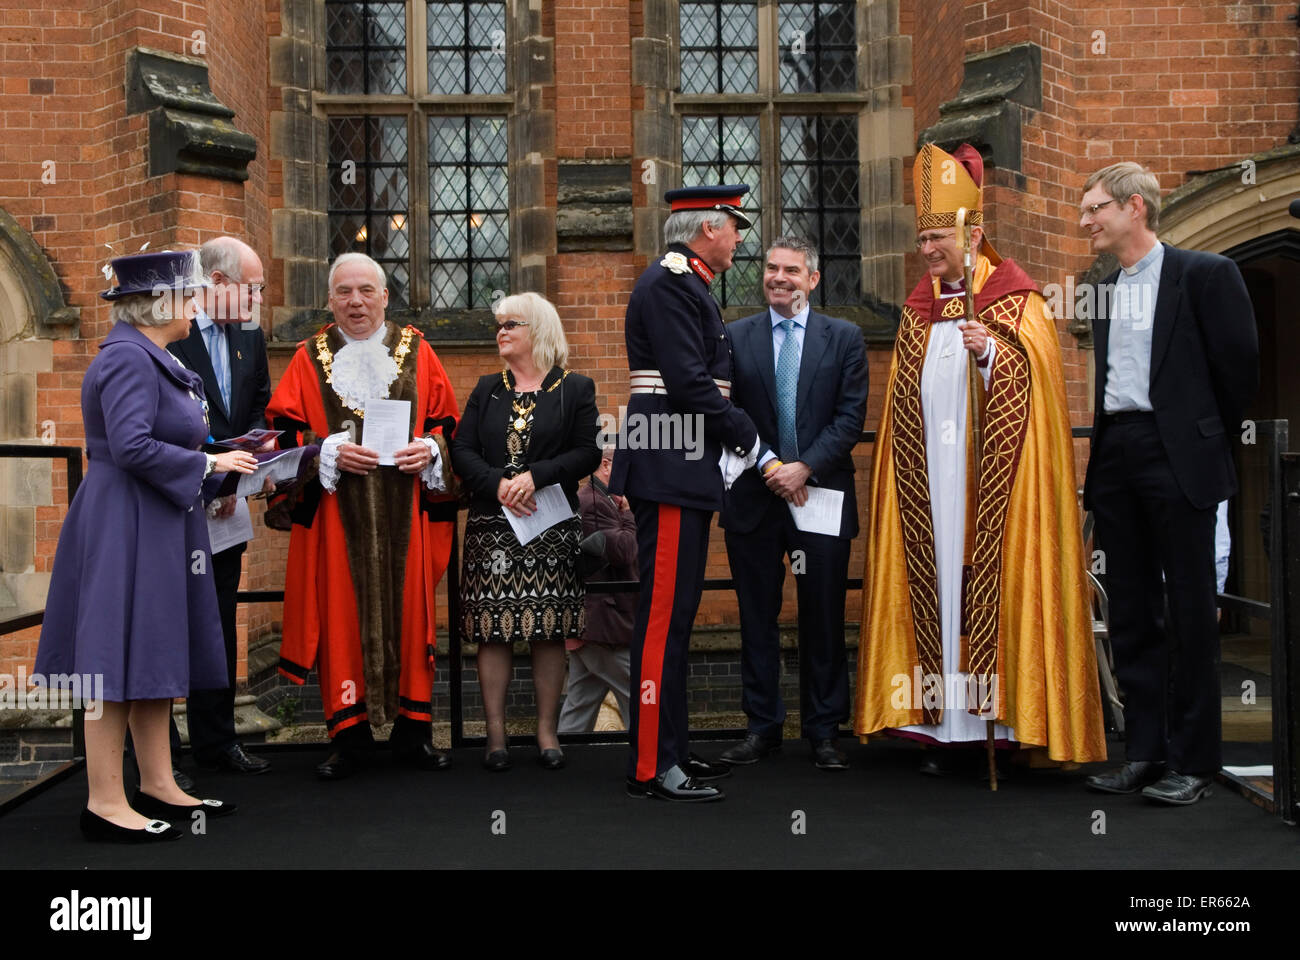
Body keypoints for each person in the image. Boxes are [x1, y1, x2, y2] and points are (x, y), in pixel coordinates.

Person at [853, 143, 1107, 772]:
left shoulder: (1018, 303)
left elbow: (1043, 389)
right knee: (937, 591)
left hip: (996, 490)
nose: (928, 249)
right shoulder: (917, 313)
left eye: (938, 236)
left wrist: (994, 353)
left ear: (972, 234)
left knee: (988, 588)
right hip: (930, 492)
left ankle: (1002, 726)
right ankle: (944, 731)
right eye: (923, 238)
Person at [36, 250, 256, 841]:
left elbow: (164, 444)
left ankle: (157, 783)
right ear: (161, 303)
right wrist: (209, 459)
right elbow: (131, 447)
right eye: (188, 295)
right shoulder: (129, 359)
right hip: (124, 522)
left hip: (157, 520)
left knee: (151, 651)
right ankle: (105, 803)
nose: (196, 305)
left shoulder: (149, 355)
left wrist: (226, 464)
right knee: (113, 660)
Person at [1079, 161, 1259, 805]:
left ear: (1135, 207)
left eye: (1095, 207)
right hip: (1119, 455)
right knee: (1130, 614)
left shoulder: (1206, 275)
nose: (1085, 219)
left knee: (1189, 613)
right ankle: (1146, 753)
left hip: (1179, 455)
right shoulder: (1102, 289)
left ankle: (1196, 761)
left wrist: (1199, 436)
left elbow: (1238, 370)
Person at [266, 252, 460, 780]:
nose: (356, 301)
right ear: (329, 300)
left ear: (384, 296)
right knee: (341, 618)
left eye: (366, 291)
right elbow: (281, 438)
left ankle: (413, 735)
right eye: (344, 292)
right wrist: (324, 451)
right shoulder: (308, 357)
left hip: (407, 519)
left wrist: (432, 450)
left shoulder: (418, 351)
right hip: (336, 519)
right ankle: (347, 738)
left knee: (411, 613)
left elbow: (449, 425)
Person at [608, 184, 760, 802]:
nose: (740, 238)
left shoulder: (686, 282)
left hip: (681, 463)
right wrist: (747, 434)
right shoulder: (672, 282)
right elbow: (690, 382)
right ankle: (651, 764)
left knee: (676, 620)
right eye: (736, 226)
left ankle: (669, 747)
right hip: (671, 465)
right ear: (708, 228)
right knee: (662, 621)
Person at [718, 237, 867, 771]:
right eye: (771, 268)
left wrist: (805, 467)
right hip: (755, 497)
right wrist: (771, 467)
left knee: (823, 614)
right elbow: (724, 412)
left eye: (791, 271)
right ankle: (762, 727)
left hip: (820, 492)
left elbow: (850, 418)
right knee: (756, 615)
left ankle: (824, 730)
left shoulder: (845, 337)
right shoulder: (734, 337)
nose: (778, 277)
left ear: (813, 279)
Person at [451, 292, 601, 771]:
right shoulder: (486, 388)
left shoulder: (574, 388)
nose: (501, 332)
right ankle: (495, 735)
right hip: (491, 524)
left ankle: (546, 732)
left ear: (537, 327)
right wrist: (498, 485)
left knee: (548, 629)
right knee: (492, 631)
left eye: (510, 323)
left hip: (550, 524)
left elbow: (587, 453)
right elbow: (462, 450)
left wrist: (535, 476)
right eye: (498, 325)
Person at [167, 236, 273, 777]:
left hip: (229, 509)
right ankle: (161, 757)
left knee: (219, 620)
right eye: (253, 287)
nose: (259, 297)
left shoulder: (248, 337)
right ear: (218, 284)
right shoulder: (169, 336)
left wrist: (247, 468)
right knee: (165, 622)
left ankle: (216, 741)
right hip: (177, 504)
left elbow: (255, 406)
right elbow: (165, 425)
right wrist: (212, 472)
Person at [558, 446, 638, 734]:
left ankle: (563, 756)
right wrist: (629, 514)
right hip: (604, 625)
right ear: (606, 465)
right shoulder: (593, 502)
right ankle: (648, 756)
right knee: (639, 695)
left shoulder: (600, 499)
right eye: (625, 467)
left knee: (580, 701)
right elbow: (624, 551)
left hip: (597, 624)